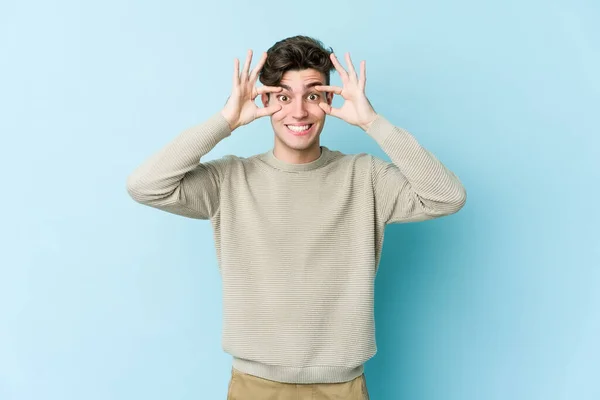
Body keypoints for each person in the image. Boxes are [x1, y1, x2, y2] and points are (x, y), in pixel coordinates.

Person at [126, 35, 466, 400]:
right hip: (254, 385)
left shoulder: (365, 177)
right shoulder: (229, 179)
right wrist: (225, 120)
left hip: (342, 386)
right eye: (284, 96)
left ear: (330, 100)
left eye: (313, 95)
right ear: (266, 100)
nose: (299, 112)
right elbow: (146, 186)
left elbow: (447, 196)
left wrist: (372, 122)